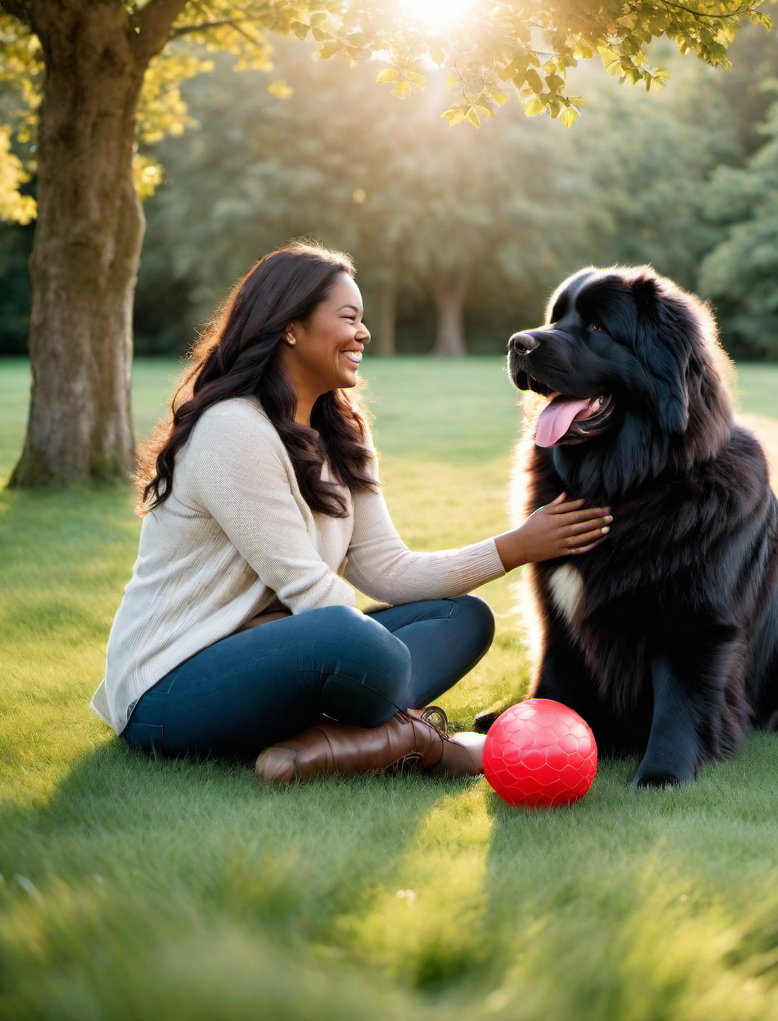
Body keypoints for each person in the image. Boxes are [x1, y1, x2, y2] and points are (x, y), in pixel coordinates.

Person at [90, 241, 611, 784]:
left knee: (462, 618)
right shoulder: (233, 429)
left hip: (288, 654)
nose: (363, 333)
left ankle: (344, 741)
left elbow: (388, 570)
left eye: (363, 319)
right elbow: (309, 593)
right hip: (169, 691)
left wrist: (514, 548)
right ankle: (415, 739)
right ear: (290, 327)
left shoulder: (342, 435)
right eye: (349, 318)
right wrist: (354, 652)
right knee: (346, 636)